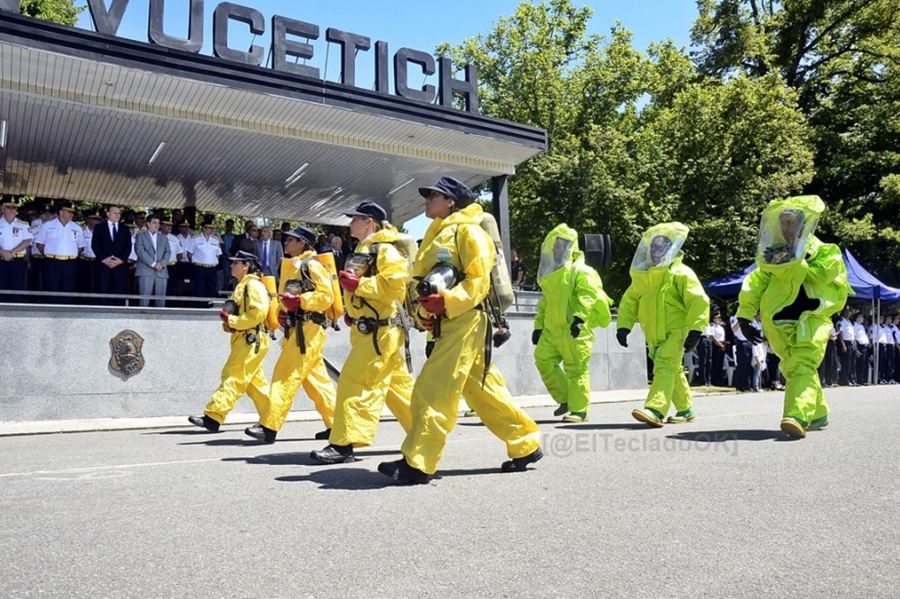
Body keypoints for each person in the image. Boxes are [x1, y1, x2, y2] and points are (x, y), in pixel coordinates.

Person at [378, 176, 542, 484]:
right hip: (452, 321)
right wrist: (426, 313)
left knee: (433, 388)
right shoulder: (436, 233)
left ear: (451, 201)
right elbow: (423, 283)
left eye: (434, 195)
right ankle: (526, 442)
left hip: (466, 320)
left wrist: (448, 303)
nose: (427, 200)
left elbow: (477, 280)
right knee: (482, 389)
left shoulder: (468, 232)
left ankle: (419, 462)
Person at [736, 196, 851, 439]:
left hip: (813, 318)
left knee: (802, 363)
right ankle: (818, 413)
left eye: (790, 223)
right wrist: (745, 316)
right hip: (778, 321)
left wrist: (797, 260)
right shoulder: (772, 253)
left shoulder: (823, 250)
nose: (786, 228)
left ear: (802, 224)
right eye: (783, 223)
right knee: (795, 367)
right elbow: (756, 282)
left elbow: (826, 277)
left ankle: (796, 415)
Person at [310, 201, 414, 464]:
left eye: (355, 219)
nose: (350, 223)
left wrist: (360, 285)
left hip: (380, 332)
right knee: (397, 388)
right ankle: (425, 433)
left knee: (354, 382)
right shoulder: (366, 248)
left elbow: (394, 287)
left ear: (369, 222)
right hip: (375, 329)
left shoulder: (384, 249)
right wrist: (353, 311)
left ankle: (344, 445)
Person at [245, 225, 336, 444]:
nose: (285, 243)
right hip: (300, 329)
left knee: (284, 375)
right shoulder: (295, 266)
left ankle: (269, 425)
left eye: (291, 240)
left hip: (308, 331)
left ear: (302, 243)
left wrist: (302, 302)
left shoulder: (311, 265)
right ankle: (338, 425)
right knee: (317, 382)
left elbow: (326, 296)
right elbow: (287, 298)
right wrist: (283, 313)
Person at [617, 222, 710, 427]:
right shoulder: (645, 276)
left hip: (676, 331)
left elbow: (698, 301)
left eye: (661, 246)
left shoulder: (681, 273)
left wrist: (695, 330)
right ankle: (686, 410)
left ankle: (655, 409)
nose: (656, 249)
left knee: (665, 366)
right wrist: (623, 325)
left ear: (671, 248)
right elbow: (630, 300)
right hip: (653, 333)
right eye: (654, 246)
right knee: (672, 369)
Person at [532, 223, 613, 422]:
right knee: (543, 360)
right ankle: (566, 398)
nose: (555, 249)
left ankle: (579, 410)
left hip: (574, 329)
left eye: (559, 245)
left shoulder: (582, 271)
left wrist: (579, 319)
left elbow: (588, 296)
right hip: (552, 331)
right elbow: (545, 303)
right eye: (554, 245)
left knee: (576, 368)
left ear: (569, 247)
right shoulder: (552, 274)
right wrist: (538, 327)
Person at [188, 251, 271, 432]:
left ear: (246, 266)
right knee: (255, 385)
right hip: (246, 339)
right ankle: (271, 420)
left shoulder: (253, 285)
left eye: (235, 263)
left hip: (250, 339)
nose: (232, 266)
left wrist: (232, 321)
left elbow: (258, 313)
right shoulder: (244, 285)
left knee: (233, 375)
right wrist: (230, 323)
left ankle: (213, 416)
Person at [34, 204, 85, 301]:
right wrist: (48, 255)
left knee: (68, 289)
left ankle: (66, 313)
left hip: (70, 263)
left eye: (72, 212)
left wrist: (71, 255)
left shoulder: (77, 227)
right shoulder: (48, 225)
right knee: (51, 288)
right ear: (61, 213)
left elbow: (81, 247)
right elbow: (39, 244)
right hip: (52, 262)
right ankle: (50, 313)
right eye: (68, 212)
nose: (71, 214)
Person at [92, 205, 131, 304]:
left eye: (119, 213)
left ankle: (119, 315)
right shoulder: (99, 227)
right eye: (115, 213)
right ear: (108, 214)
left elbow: (128, 246)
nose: (118, 215)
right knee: (103, 291)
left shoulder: (125, 229)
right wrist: (104, 259)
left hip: (119, 266)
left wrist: (121, 260)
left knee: (119, 292)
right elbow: (95, 245)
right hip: (103, 265)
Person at [134, 214, 172, 307]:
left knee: (161, 300)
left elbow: (168, 252)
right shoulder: (140, 235)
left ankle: (160, 319)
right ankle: (142, 318)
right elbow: (140, 251)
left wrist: (162, 264)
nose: (157, 225)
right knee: (144, 299)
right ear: (148, 223)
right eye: (154, 222)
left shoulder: (164, 238)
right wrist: (154, 264)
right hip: (145, 271)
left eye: (158, 223)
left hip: (161, 271)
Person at [0, 199, 33, 302]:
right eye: (8, 207)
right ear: (2, 209)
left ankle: (15, 314)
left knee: (17, 289)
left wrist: (12, 252)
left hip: (18, 261)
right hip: (1, 260)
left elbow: (27, 241)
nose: (11, 210)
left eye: (14, 208)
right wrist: (2, 252)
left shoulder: (23, 224)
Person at [189, 221, 222, 302]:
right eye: (208, 228)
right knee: (199, 289)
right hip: (199, 267)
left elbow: (218, 254)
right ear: (203, 228)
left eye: (212, 228)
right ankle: (200, 307)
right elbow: (189, 253)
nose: (210, 230)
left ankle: (209, 306)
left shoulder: (216, 240)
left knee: (211, 289)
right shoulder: (195, 239)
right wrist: (195, 262)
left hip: (212, 268)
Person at [837, 307, 856, 385]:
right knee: (845, 363)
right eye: (847, 311)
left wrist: (854, 342)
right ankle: (845, 380)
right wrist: (843, 345)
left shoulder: (849, 322)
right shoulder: (840, 321)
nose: (849, 313)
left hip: (851, 343)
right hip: (845, 343)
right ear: (843, 312)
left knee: (850, 363)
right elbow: (840, 334)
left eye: (849, 311)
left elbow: (851, 333)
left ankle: (850, 379)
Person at [853, 313, 870, 385]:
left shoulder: (861, 326)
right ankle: (859, 380)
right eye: (862, 317)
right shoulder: (854, 326)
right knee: (860, 364)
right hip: (860, 346)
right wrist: (856, 349)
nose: (863, 318)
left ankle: (864, 380)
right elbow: (854, 338)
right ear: (857, 318)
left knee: (865, 364)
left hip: (865, 346)